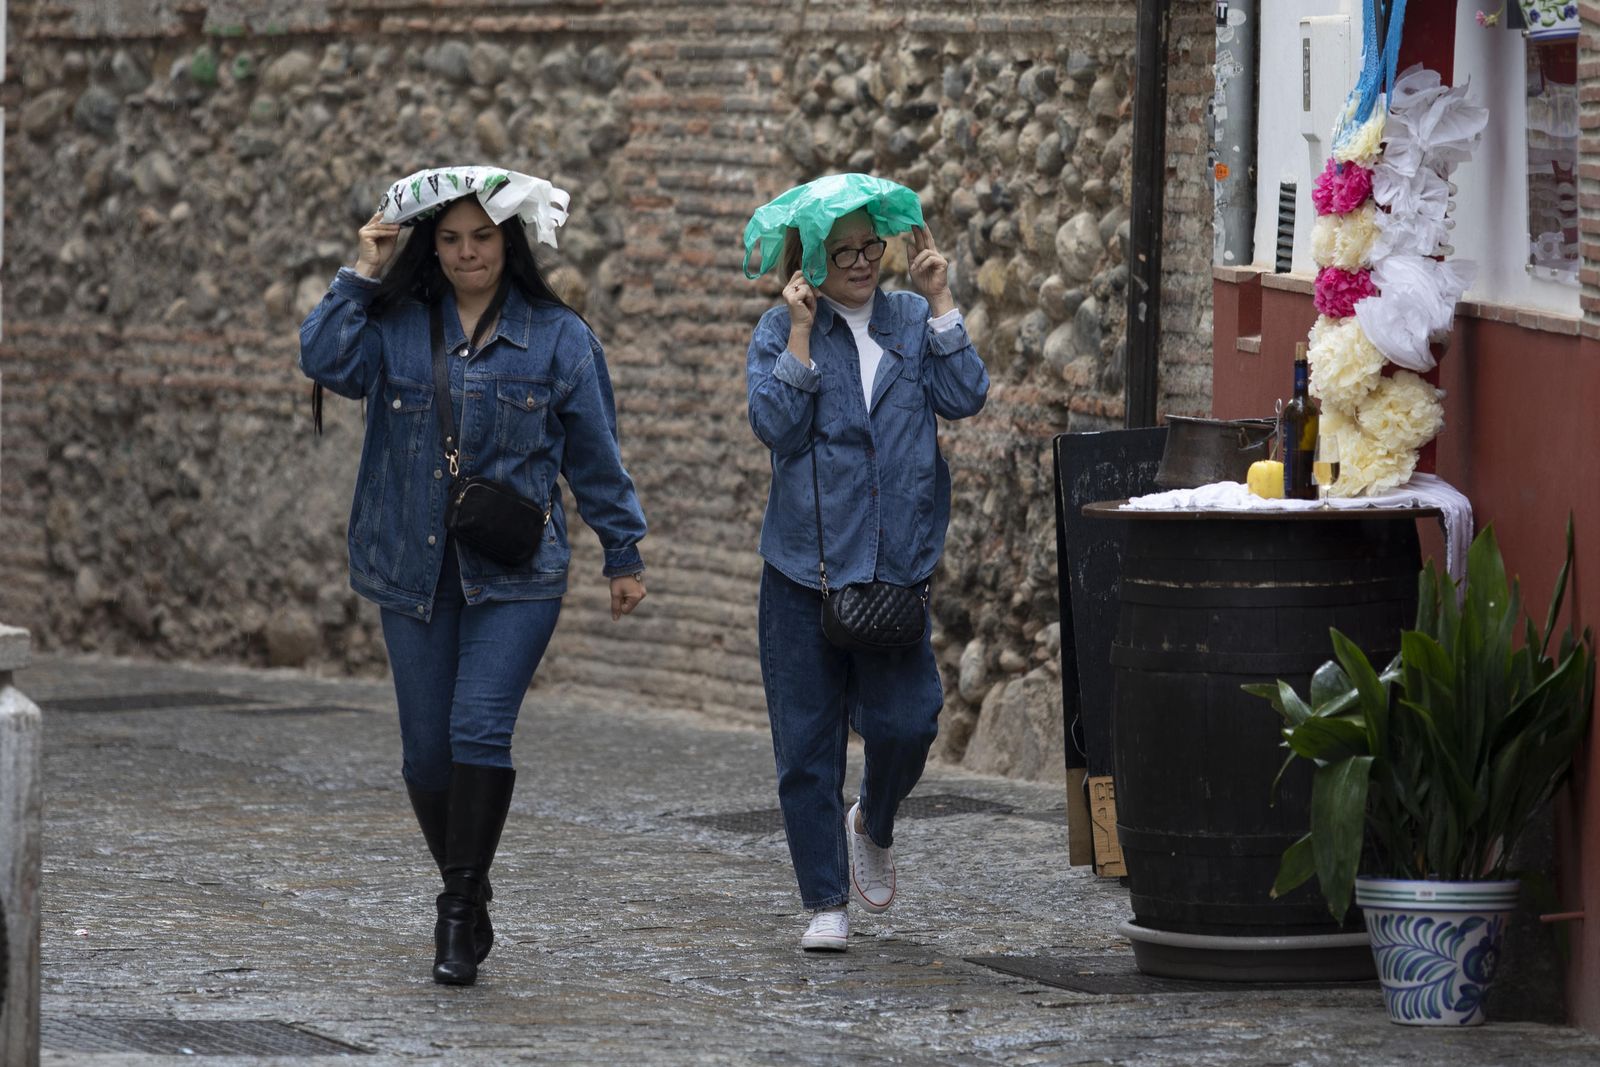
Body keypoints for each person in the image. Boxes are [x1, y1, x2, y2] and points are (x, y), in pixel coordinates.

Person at [298, 167, 649, 985]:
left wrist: (622, 552)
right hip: (408, 565)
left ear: (509, 241)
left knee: (479, 731)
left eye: (482, 238)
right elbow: (322, 356)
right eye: (450, 239)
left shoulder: (560, 339)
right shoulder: (393, 323)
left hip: (516, 572)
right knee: (426, 758)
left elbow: (597, 456)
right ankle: (472, 884)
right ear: (432, 243)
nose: (466, 254)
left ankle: (454, 914)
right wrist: (365, 266)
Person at [743, 184, 988, 952]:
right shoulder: (780, 329)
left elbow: (966, 395)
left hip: (892, 573)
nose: (857, 264)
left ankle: (873, 821)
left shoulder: (912, 320)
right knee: (806, 747)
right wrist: (801, 340)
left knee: (909, 722)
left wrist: (941, 293)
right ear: (809, 259)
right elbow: (774, 427)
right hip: (801, 573)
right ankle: (824, 900)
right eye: (839, 252)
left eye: (867, 249)